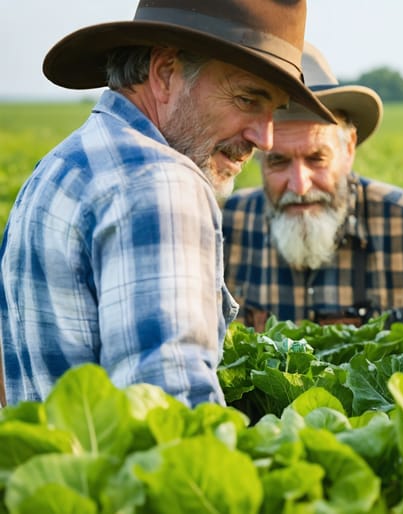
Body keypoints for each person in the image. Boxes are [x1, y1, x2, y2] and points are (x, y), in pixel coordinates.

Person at [0, 0, 335, 407]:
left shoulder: (59, 166)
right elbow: (172, 411)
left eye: (274, 110)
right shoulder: (161, 181)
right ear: (164, 74)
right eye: (248, 99)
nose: (264, 138)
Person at [222, 44, 403, 348]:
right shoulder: (226, 227)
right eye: (278, 161)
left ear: (348, 150)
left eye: (316, 159)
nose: (299, 185)